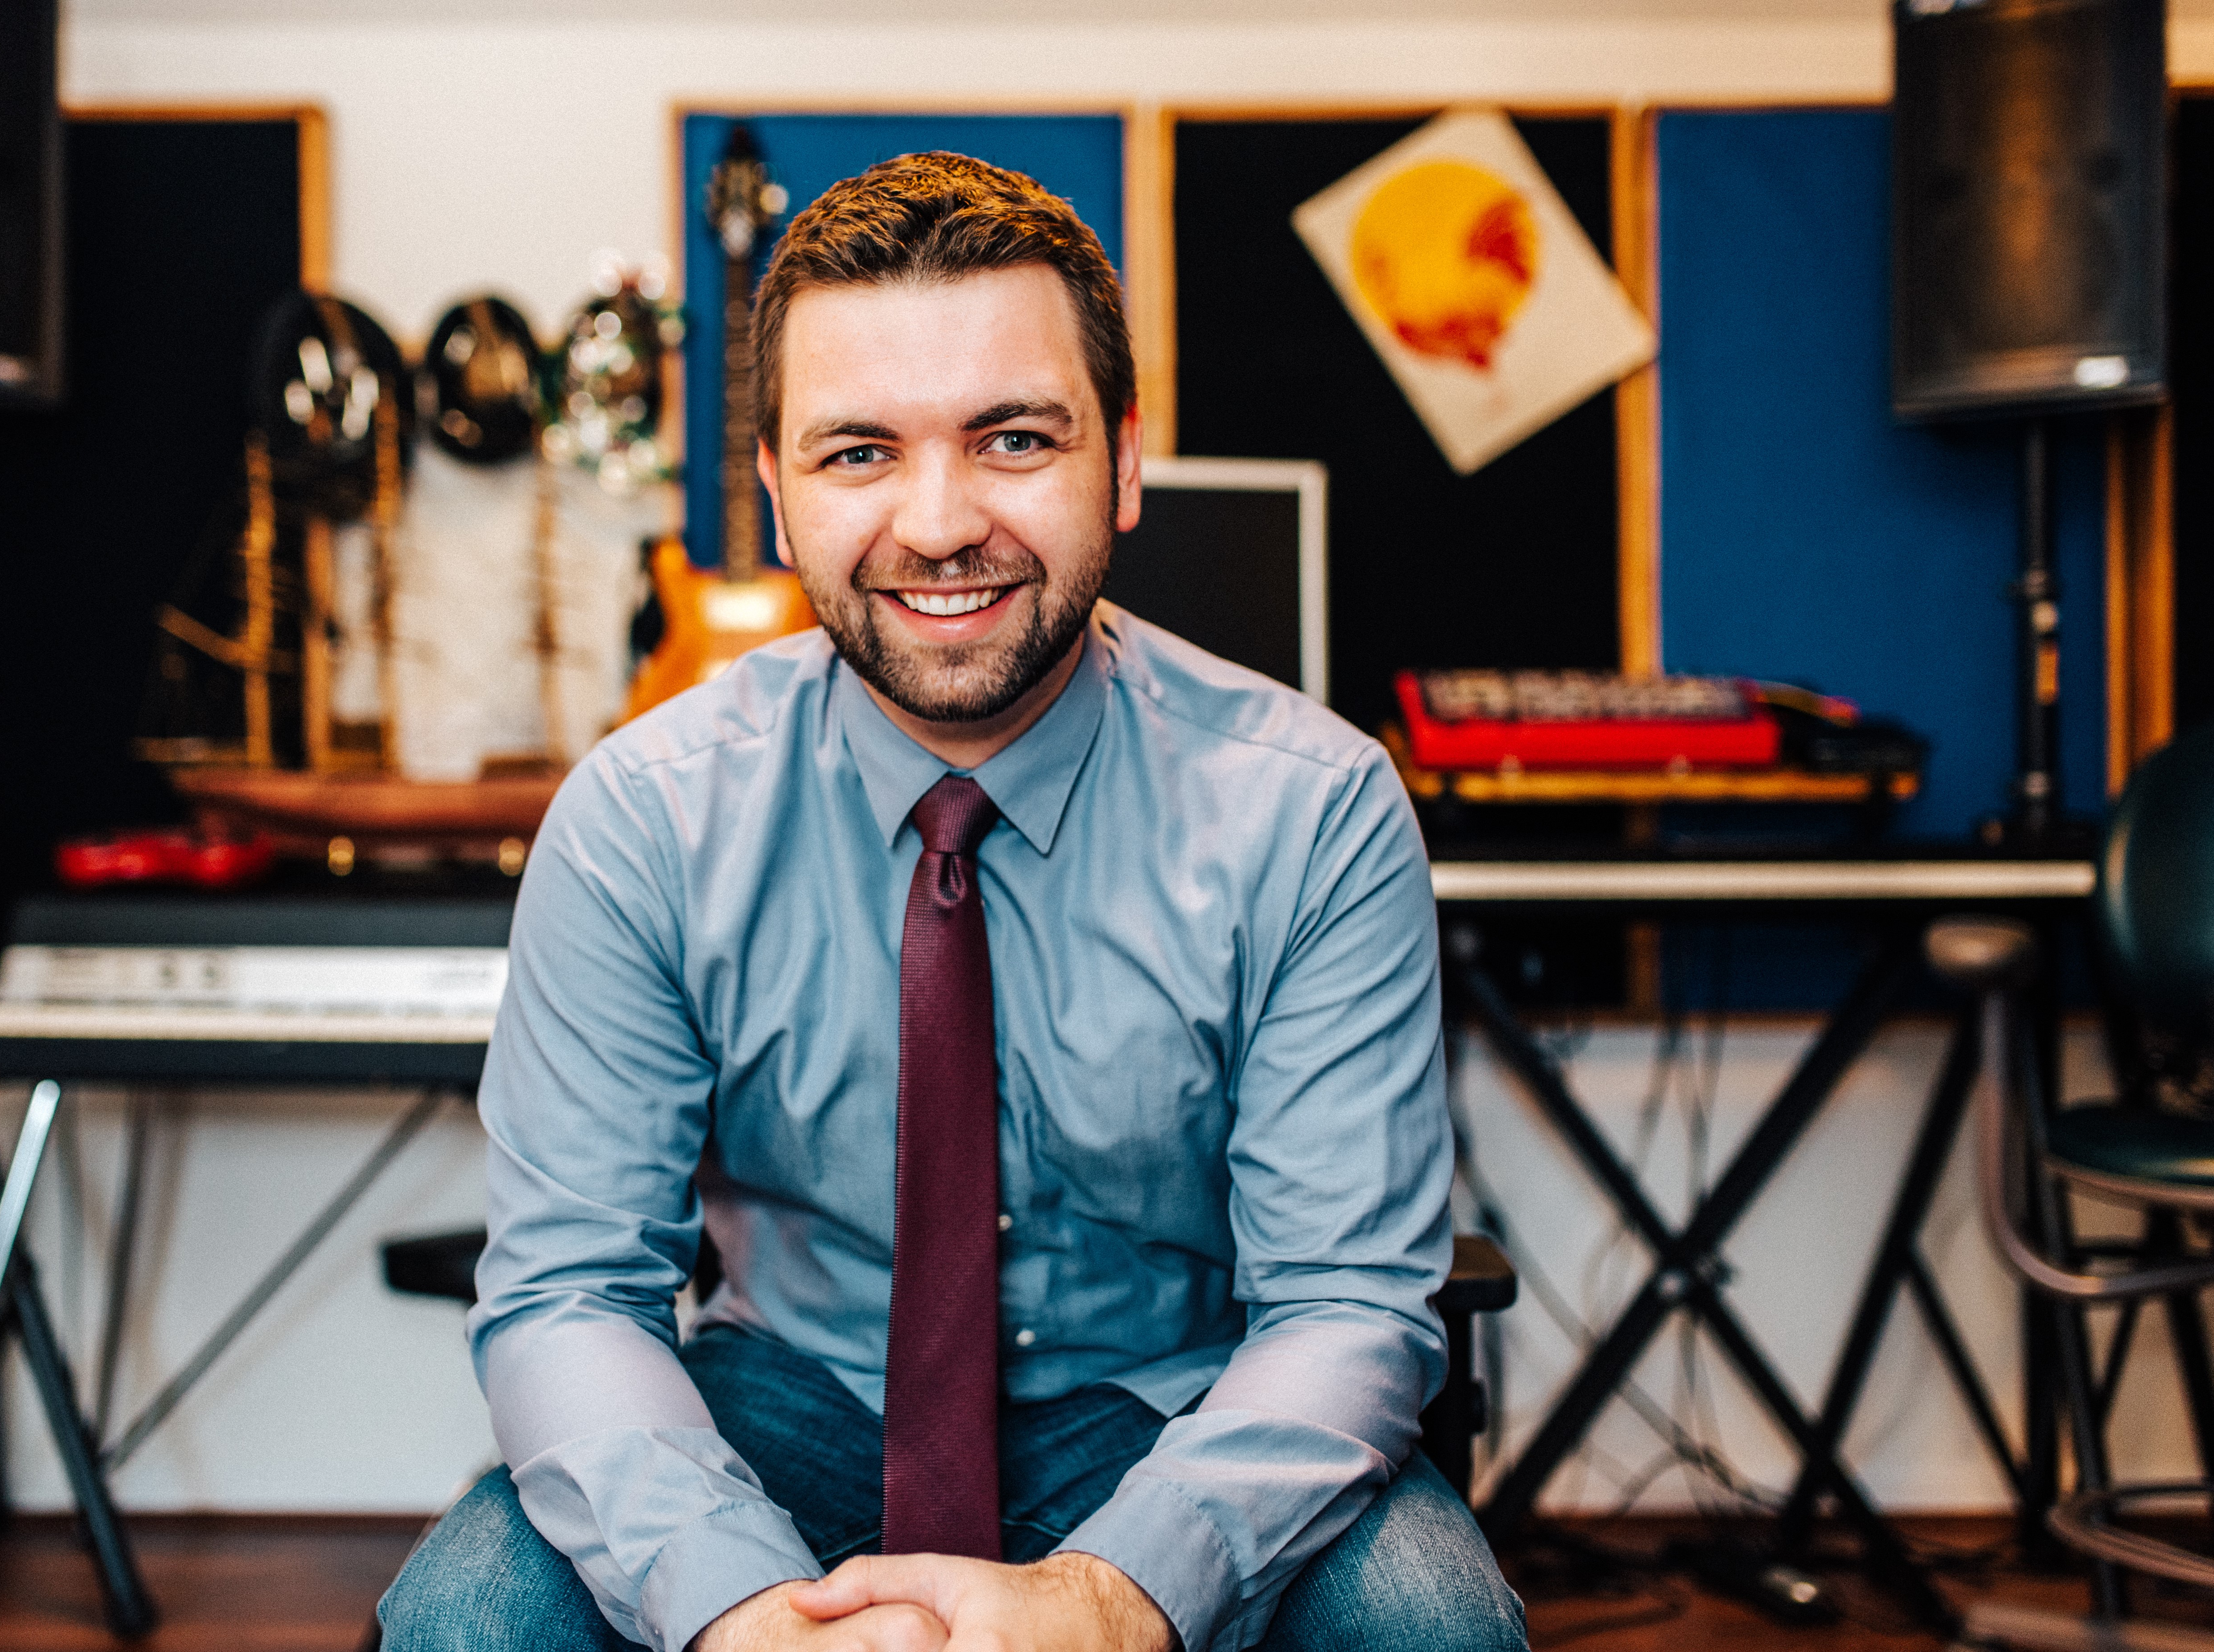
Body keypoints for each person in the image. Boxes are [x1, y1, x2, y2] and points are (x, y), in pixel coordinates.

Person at [379, 152, 1526, 1652]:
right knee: (470, 1617)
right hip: (787, 1400)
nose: (936, 522)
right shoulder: (637, 822)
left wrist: (1112, 1602)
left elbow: (1346, 1312)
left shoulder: (1311, 812)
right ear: (777, 498)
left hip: (1169, 1405)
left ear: (1120, 461)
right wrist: (730, 1608)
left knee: (1430, 1627)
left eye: (1011, 438)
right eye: (859, 451)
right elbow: (570, 1293)